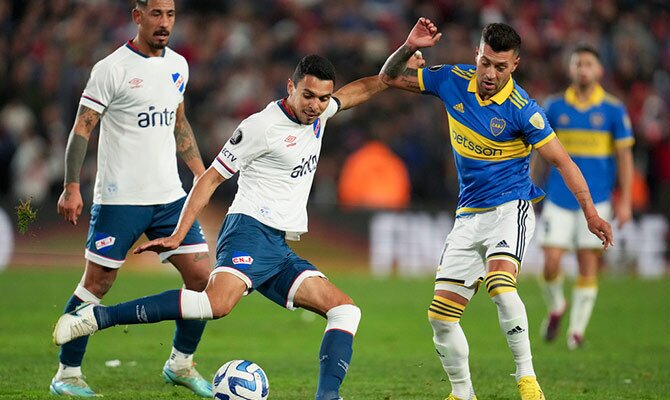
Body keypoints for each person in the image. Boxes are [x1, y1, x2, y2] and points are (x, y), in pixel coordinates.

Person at [52, 53, 424, 400]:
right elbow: (210, 179)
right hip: (248, 230)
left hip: (277, 247)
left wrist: (405, 52)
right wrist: (180, 233)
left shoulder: (320, 115)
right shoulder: (260, 127)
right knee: (216, 304)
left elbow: (363, 88)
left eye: (323, 99)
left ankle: (328, 396)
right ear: (290, 87)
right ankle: (98, 317)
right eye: (308, 95)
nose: (315, 105)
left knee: (346, 310)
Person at [379, 19, 614, 400]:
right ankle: (462, 393)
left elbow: (564, 163)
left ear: (514, 65)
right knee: (440, 317)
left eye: (500, 67)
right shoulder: (453, 79)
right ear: (477, 54)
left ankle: (527, 378)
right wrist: (408, 47)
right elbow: (389, 78)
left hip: (511, 208)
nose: (490, 73)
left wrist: (590, 213)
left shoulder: (525, 111)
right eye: (486, 62)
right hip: (468, 216)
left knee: (501, 285)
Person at [51, 0, 213, 397]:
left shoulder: (178, 65)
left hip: (170, 197)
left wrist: (200, 174)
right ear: (137, 16)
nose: (164, 23)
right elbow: (82, 129)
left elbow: (179, 123)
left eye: (170, 15)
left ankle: (180, 363)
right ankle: (67, 375)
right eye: (156, 14)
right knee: (99, 282)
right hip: (119, 199)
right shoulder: (111, 69)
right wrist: (72, 186)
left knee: (201, 278)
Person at [535, 45, 634, 349]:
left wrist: (626, 199)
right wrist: (529, 186)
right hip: (558, 196)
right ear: (570, 69)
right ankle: (556, 307)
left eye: (588, 64)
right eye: (578, 64)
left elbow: (624, 158)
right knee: (551, 263)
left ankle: (575, 333)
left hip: (598, 199)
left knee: (587, 262)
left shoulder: (613, 110)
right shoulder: (554, 107)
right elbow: (541, 155)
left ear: (599, 70)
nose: (583, 69)